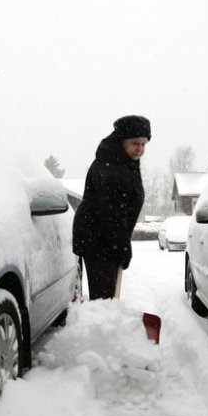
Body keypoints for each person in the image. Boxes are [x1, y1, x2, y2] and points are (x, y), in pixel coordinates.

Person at [72, 115, 150, 299]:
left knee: (107, 295)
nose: (139, 149)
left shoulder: (124, 162)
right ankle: (102, 326)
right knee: (103, 298)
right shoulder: (110, 168)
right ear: (122, 142)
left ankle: (107, 322)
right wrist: (122, 248)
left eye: (143, 144)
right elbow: (111, 215)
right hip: (97, 240)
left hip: (107, 239)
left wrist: (120, 246)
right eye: (135, 143)